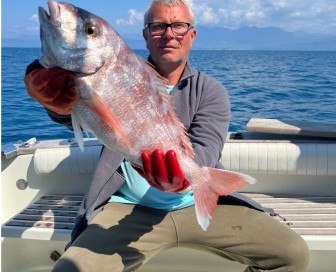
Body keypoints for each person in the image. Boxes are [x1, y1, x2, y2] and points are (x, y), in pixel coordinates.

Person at [24, 0, 310, 271]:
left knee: (293, 254)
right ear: (146, 36)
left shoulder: (211, 91)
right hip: (127, 205)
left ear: (192, 35)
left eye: (179, 26)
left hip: (193, 203)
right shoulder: (116, 72)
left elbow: (206, 151)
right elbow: (76, 113)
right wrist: (51, 98)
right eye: (158, 27)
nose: (169, 35)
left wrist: (185, 181)